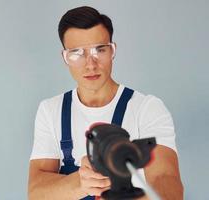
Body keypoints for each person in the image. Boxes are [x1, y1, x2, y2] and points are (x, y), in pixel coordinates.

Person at [28, 6, 183, 200]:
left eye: (99, 50)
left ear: (112, 51)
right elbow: (35, 193)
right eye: (77, 53)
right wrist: (80, 183)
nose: (90, 64)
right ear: (65, 58)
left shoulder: (147, 109)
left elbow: (166, 179)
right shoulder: (51, 110)